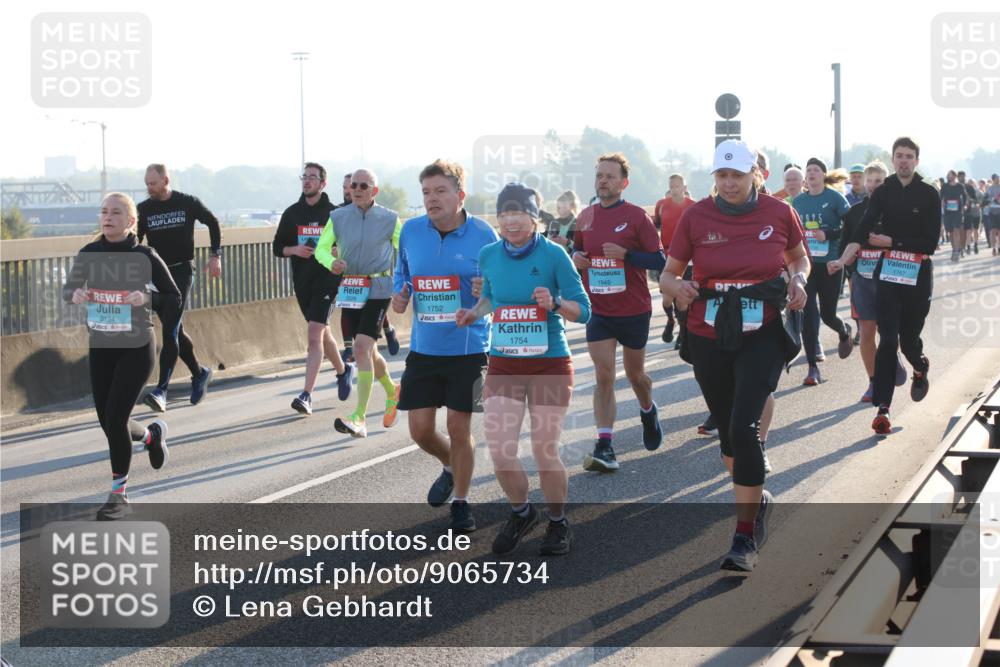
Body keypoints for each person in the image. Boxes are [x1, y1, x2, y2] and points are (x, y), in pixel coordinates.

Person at [660, 139, 809, 571]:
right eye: (722, 176)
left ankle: (744, 537)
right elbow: (668, 274)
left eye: (737, 175)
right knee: (728, 436)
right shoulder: (696, 216)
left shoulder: (780, 213)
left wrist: (798, 282)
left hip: (762, 326)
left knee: (745, 428)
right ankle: (757, 497)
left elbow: (799, 260)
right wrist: (678, 288)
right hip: (708, 329)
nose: (728, 183)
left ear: (754, 176)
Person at [456, 182, 591, 556]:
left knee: (544, 449)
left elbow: (585, 310)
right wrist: (473, 312)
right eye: (504, 214)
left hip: (549, 365)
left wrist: (555, 302)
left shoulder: (555, 256)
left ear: (534, 217)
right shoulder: (488, 255)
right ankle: (522, 511)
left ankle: (559, 522)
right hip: (503, 365)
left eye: (519, 214)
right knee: (500, 450)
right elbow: (491, 299)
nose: (511, 221)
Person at [391, 159, 499, 532]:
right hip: (424, 348)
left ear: (459, 195)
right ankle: (451, 465)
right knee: (420, 431)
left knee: (458, 425)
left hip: (468, 349)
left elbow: (501, 285)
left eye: (440, 191)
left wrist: (486, 291)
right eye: (425, 192)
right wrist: (399, 295)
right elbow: (401, 273)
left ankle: (462, 503)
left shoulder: (484, 234)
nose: (431, 199)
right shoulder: (411, 231)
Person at [63, 193, 179, 520]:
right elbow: (68, 291)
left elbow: (173, 297)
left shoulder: (144, 255)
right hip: (101, 345)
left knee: (115, 418)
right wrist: (77, 294)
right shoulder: (90, 253)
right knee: (109, 421)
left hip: (136, 346)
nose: (108, 217)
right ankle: (152, 435)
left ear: (130, 221)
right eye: (103, 211)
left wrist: (146, 297)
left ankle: (119, 494)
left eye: (116, 212)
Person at [828, 137, 941, 434]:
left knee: (908, 342)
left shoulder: (929, 194)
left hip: (917, 274)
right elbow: (862, 229)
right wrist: (842, 260)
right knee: (888, 339)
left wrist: (894, 242)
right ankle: (883, 409)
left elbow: (930, 242)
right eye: (899, 156)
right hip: (889, 274)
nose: (903, 161)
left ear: (917, 160)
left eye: (909, 156)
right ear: (893, 159)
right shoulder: (884, 192)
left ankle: (919, 367)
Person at [572, 153, 666, 471]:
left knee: (636, 376)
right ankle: (605, 445)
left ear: (623, 183)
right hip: (599, 309)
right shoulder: (585, 216)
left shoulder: (637, 217)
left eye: (610, 176)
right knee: (603, 376)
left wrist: (627, 255)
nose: (603, 180)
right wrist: (576, 257)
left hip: (634, 309)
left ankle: (648, 409)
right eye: (599, 175)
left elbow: (660, 260)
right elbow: (578, 250)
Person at [316, 168, 403, 438]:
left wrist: (401, 283)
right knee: (369, 352)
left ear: (374, 191)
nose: (357, 189)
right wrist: (332, 262)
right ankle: (392, 391)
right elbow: (320, 248)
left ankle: (359, 418)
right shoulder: (338, 217)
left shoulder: (390, 219)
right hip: (351, 289)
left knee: (362, 348)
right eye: (353, 185)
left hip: (378, 288)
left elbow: (406, 252)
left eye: (363, 186)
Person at [138, 164, 220, 412]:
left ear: (165, 180)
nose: (148, 188)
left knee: (170, 330)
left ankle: (161, 389)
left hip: (182, 272)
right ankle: (200, 372)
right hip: (157, 275)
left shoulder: (187, 202)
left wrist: (215, 255)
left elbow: (213, 223)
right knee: (175, 329)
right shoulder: (144, 209)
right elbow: (136, 241)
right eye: (146, 184)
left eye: (152, 183)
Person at [272, 162, 353, 415]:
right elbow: (277, 247)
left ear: (323, 183)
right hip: (303, 282)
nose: (307, 181)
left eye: (312, 177)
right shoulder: (291, 214)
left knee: (314, 334)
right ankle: (343, 370)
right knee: (322, 332)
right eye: (304, 177)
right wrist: (294, 250)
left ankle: (306, 395)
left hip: (327, 280)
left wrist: (335, 252)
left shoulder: (335, 214)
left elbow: (347, 247)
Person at [833, 161, 908, 402]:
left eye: (879, 181)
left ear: (886, 183)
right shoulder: (855, 212)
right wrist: (849, 264)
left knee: (889, 333)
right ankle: (873, 382)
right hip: (862, 279)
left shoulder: (897, 210)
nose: (874, 186)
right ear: (865, 183)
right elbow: (844, 245)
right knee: (866, 332)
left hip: (891, 278)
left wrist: (889, 242)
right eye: (870, 181)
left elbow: (908, 241)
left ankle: (892, 357)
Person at [792, 158, 854, 386]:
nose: (811, 173)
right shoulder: (798, 202)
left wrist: (827, 234)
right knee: (808, 316)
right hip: (806, 266)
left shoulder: (834, 198)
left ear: (823, 175)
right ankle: (812, 368)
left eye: (816, 170)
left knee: (827, 314)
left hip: (830, 264)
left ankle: (843, 330)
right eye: (808, 170)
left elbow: (850, 227)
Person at [655, 173, 696, 343]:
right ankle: (671, 320)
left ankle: (683, 332)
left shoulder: (693, 206)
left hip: (688, 258)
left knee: (682, 297)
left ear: (685, 188)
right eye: (671, 186)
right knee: (666, 299)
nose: (673, 189)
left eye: (677, 186)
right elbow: (654, 227)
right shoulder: (662, 205)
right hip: (667, 257)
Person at [940, 170, 967, 262]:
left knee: (956, 230)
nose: (948, 176)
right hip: (947, 212)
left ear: (954, 176)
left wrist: (964, 206)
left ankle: (956, 252)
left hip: (957, 212)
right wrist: (942, 202)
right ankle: (954, 249)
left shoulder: (960, 186)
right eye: (947, 175)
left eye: (949, 175)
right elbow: (941, 196)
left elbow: (965, 196)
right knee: (950, 233)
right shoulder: (944, 186)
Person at [545, 190, 579, 254]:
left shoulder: (577, 223)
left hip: (570, 260)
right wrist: (551, 241)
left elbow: (581, 247)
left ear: (571, 207)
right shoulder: (553, 223)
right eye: (559, 208)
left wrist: (567, 242)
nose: (561, 210)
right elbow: (547, 244)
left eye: (564, 208)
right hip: (555, 259)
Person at [958, 171, 982, 254]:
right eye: (960, 176)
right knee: (967, 230)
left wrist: (970, 200)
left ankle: (975, 244)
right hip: (964, 212)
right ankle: (967, 247)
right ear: (957, 177)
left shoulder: (969, 187)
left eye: (963, 176)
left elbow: (976, 199)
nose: (962, 178)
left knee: (975, 230)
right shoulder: (956, 187)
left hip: (974, 211)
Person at [989, 174, 1000, 256]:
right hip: (992, 211)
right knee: (993, 231)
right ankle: (993, 248)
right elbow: (987, 199)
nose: (998, 179)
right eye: (996, 178)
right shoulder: (990, 188)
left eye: (999, 178)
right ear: (993, 179)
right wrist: (994, 199)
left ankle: (999, 247)